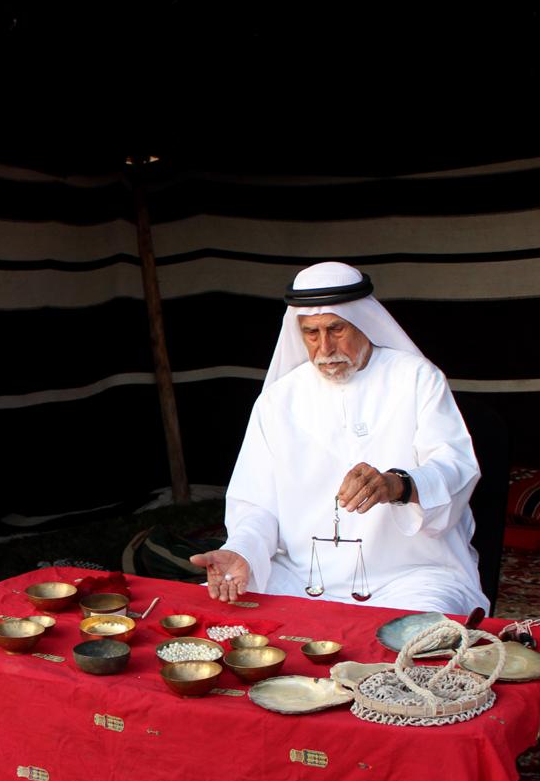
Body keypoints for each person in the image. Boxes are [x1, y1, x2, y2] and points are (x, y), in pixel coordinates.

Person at [190, 261, 488, 615]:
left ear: (363, 321)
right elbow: (257, 505)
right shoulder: (279, 399)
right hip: (302, 576)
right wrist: (242, 550)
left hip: (410, 576)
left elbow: (455, 466)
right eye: (311, 333)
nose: (325, 346)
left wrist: (398, 485)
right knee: (221, 621)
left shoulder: (416, 379)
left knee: (418, 636)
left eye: (336, 328)